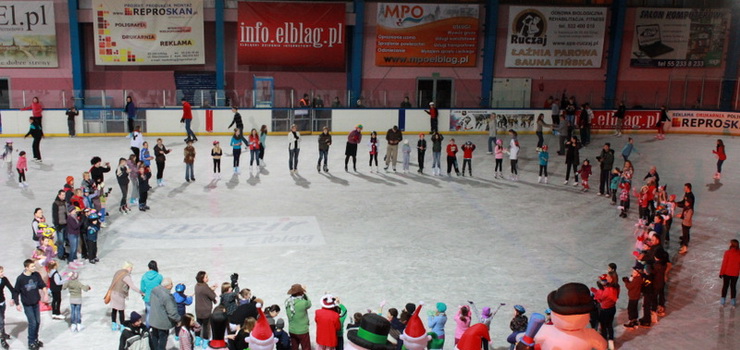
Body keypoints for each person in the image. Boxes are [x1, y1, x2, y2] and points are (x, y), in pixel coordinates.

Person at [12, 259, 48, 350]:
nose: (34, 268)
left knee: (38, 322)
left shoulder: (36, 275)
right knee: (33, 323)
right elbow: (16, 291)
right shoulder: (21, 279)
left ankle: (35, 339)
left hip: (36, 302)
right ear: (26, 267)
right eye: (32, 266)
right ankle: (31, 342)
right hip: (27, 304)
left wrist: (46, 294)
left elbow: (42, 284)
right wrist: (17, 303)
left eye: (34, 266)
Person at [108, 261, 143, 331]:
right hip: (119, 294)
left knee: (114, 309)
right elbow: (132, 286)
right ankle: (122, 326)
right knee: (121, 310)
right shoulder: (126, 276)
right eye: (131, 268)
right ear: (128, 267)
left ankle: (113, 324)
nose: (131, 269)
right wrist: (141, 292)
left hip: (112, 292)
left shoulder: (118, 272)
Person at [150, 278, 182, 350]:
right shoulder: (166, 297)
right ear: (167, 286)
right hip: (162, 323)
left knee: (154, 337)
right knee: (162, 340)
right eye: (171, 284)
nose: (172, 285)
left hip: (153, 319)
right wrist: (178, 320)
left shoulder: (154, 290)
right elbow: (172, 313)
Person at [591, 272, 618, 349]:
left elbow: (599, 299)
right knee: (609, 325)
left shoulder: (604, 291)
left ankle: (604, 340)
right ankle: (611, 340)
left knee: (603, 326)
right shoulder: (614, 288)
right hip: (612, 308)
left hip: (605, 310)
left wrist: (596, 293)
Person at [285, 284, 311, 350]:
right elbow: (309, 303)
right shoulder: (303, 303)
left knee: (294, 347)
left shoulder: (287, 302)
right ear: (300, 292)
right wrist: (305, 294)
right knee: (306, 347)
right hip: (303, 330)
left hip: (292, 329)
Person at [195, 271, 218, 342]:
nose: (208, 278)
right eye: (206, 277)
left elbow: (204, 292)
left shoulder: (197, 285)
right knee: (206, 326)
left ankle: (197, 338)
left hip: (198, 309)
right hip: (206, 311)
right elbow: (212, 296)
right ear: (202, 279)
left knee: (198, 324)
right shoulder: (205, 287)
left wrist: (209, 289)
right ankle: (205, 340)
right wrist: (213, 290)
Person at [141, 260, 163, 329]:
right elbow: (161, 287)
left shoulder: (144, 276)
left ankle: (148, 328)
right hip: (156, 297)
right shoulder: (159, 276)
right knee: (156, 313)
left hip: (147, 297)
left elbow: (142, 289)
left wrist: (143, 295)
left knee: (148, 313)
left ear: (149, 267)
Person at [719, 239, 740, 306]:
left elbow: (724, 263)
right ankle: (733, 301)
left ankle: (723, 300)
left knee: (725, 286)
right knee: (733, 287)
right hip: (735, 273)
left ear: (732, 244)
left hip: (727, 273)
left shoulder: (727, 252)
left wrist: (721, 273)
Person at [0, 266, 14, 349]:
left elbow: (12, 289)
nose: (2, 273)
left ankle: (3, 332)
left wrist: (13, 298)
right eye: (1, 272)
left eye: (2, 272)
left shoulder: (4, 279)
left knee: (2, 318)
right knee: (1, 321)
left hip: (2, 302)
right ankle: (2, 339)